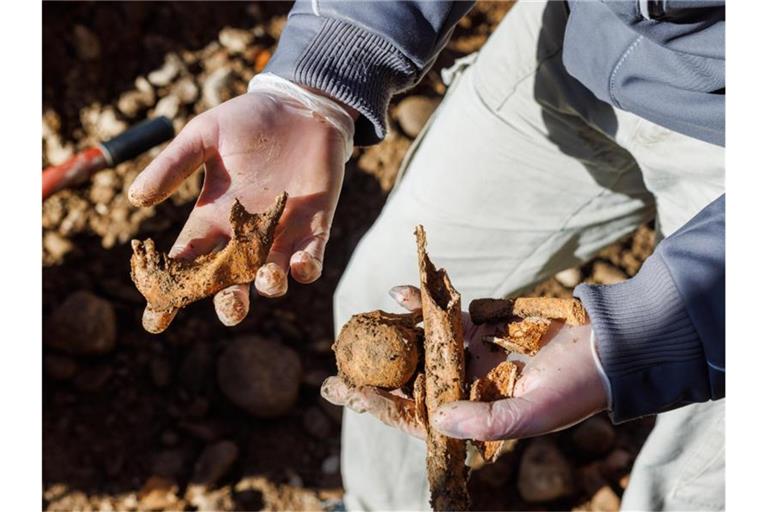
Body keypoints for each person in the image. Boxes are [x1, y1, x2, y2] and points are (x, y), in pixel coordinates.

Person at [128, 1, 725, 510]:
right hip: (583, 38)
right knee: (379, 285)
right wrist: (319, 76)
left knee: (714, 458)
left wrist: (648, 334)